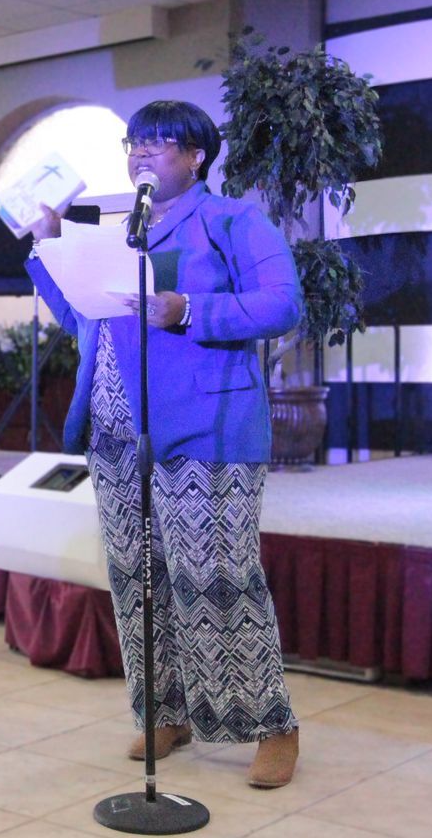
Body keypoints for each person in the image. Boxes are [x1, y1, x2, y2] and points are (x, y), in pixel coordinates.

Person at [25, 100, 304, 788]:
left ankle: (272, 726)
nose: (142, 156)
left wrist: (189, 309)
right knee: (138, 579)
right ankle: (165, 710)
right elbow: (85, 321)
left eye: (160, 145)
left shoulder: (234, 220)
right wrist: (49, 247)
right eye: (135, 144)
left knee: (216, 578)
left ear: (197, 155)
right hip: (116, 426)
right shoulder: (122, 233)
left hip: (204, 428)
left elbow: (284, 302)